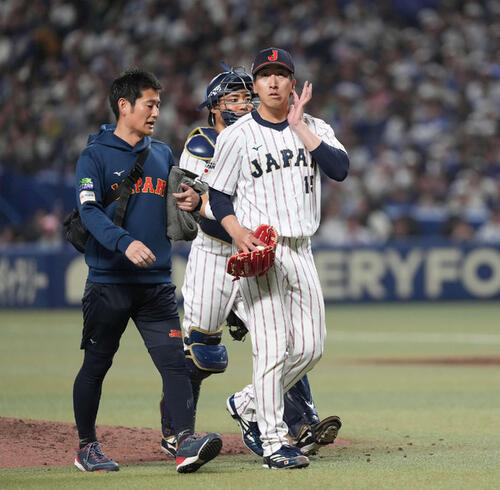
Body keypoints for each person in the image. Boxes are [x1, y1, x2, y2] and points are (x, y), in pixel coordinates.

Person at [159, 65, 342, 459]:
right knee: (204, 353)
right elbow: (204, 204)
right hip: (215, 253)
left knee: (283, 341)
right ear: (214, 106)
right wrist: (206, 207)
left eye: (246, 96)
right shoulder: (203, 144)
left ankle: (297, 422)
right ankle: (177, 430)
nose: (242, 104)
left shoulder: (264, 134)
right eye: (233, 98)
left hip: (263, 253)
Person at [72, 68, 222, 474]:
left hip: (155, 281)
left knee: (174, 363)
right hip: (109, 282)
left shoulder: (161, 154)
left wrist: (191, 201)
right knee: (97, 365)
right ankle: (87, 447)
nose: (157, 112)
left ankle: (184, 441)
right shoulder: (94, 155)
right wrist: (124, 242)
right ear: (124, 106)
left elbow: (176, 202)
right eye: (149, 104)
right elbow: (88, 211)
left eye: (158, 104)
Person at [207, 48, 349, 469]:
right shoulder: (237, 135)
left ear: (292, 83)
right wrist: (237, 233)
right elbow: (218, 195)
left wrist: (299, 127)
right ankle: (273, 443)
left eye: (280, 74)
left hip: (302, 248)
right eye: (265, 75)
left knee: (310, 348)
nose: (272, 82)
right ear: (255, 84)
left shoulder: (314, 126)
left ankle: (246, 403)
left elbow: (339, 169)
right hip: (262, 251)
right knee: (272, 348)